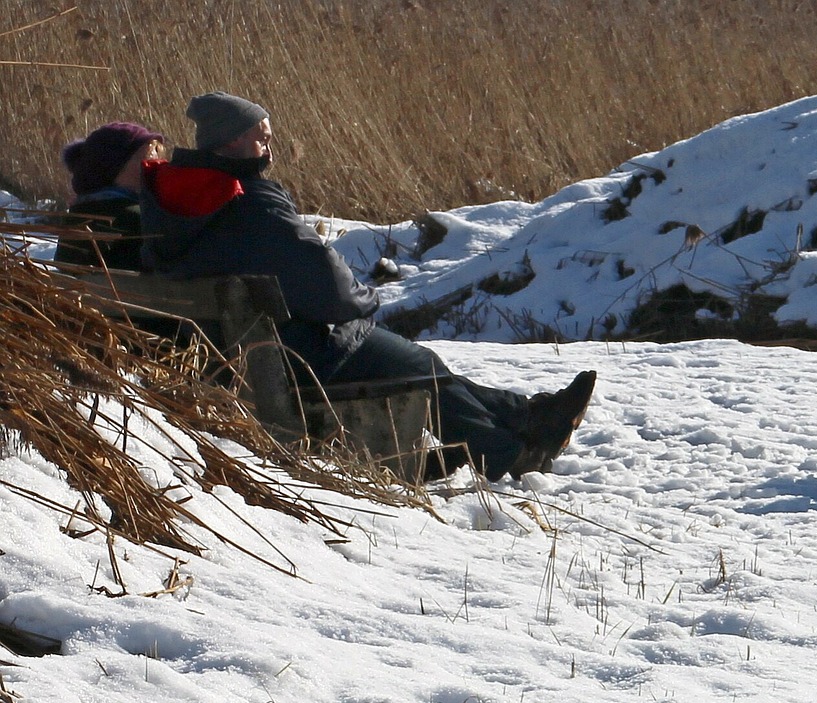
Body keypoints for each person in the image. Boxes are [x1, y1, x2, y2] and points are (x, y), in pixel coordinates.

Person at [139, 92, 594, 481]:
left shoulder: (169, 199)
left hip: (224, 354)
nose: (269, 144)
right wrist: (366, 299)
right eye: (262, 136)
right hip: (287, 356)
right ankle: (509, 452)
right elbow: (326, 282)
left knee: (419, 362)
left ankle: (529, 415)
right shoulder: (249, 201)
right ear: (234, 140)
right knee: (419, 364)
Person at [55, 122, 165, 270]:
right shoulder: (137, 218)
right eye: (147, 160)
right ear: (114, 169)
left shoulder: (77, 214)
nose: (156, 167)